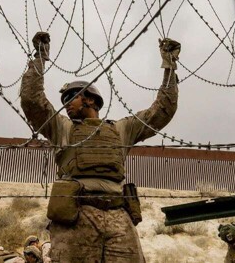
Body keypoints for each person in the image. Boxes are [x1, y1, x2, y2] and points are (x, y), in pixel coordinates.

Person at [20, 31, 180, 262]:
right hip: (77, 215)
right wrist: (39, 58)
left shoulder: (121, 129)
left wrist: (169, 66)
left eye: (71, 98)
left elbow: (161, 111)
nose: (65, 105)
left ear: (90, 99)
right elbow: (32, 102)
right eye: (63, 100)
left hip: (118, 216)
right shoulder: (61, 127)